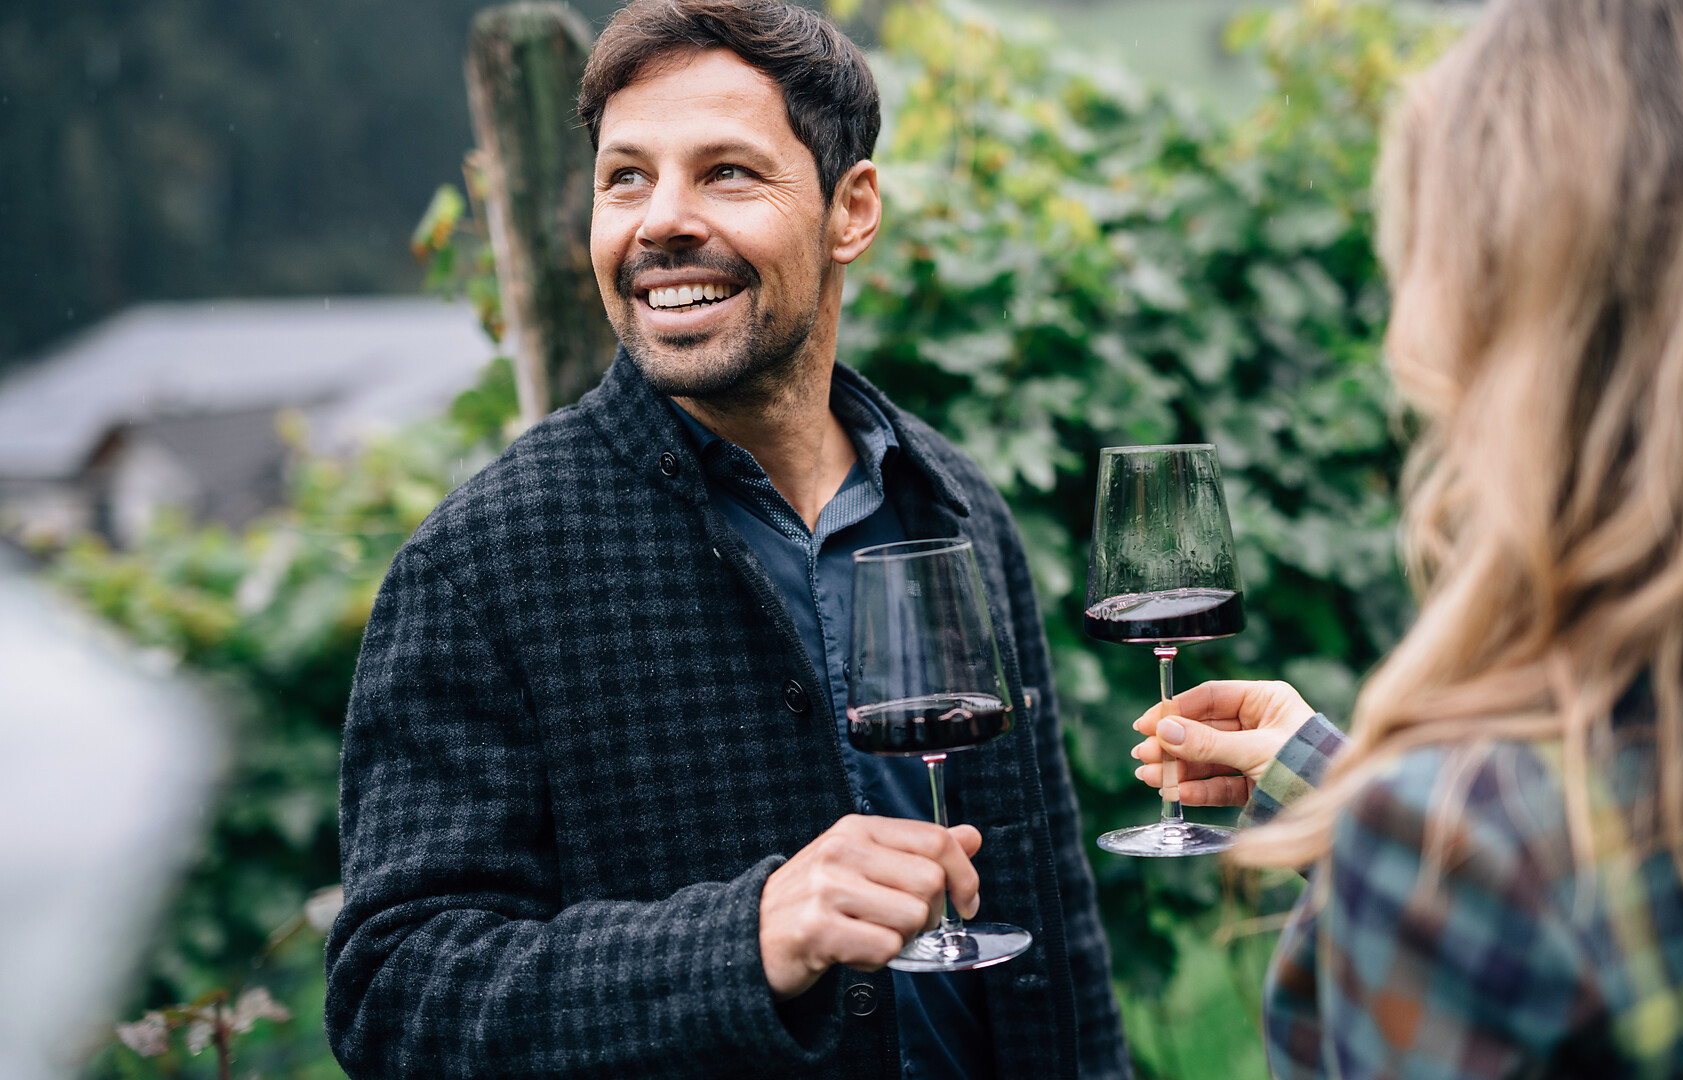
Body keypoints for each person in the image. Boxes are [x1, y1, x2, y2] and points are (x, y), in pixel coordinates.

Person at [322, 2, 1127, 1077]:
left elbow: (1054, 923)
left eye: (727, 173)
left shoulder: (957, 508)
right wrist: (748, 938)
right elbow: (395, 996)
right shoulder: (478, 570)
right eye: (626, 178)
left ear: (851, 210)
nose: (661, 221)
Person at [1129, 0, 1683, 1076]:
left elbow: (1515, 871)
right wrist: (1329, 771)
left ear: (1525, 329)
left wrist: (1411, 825)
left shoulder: (1466, 856)